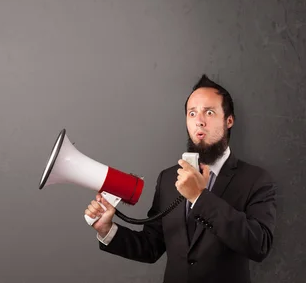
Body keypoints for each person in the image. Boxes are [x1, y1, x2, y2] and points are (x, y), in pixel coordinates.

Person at [85, 74, 277, 283]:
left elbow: (260, 245)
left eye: (209, 112)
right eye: (192, 113)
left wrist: (200, 197)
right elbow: (151, 247)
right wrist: (107, 229)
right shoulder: (168, 179)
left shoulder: (256, 179)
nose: (199, 121)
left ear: (229, 120)